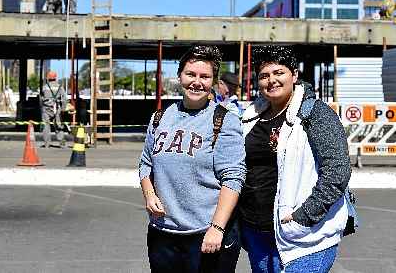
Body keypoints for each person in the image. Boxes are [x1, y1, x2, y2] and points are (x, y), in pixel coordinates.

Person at [239, 44, 351, 273]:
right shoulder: (250, 116)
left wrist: (304, 216)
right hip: (258, 233)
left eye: (278, 73)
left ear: (294, 75)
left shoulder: (315, 113)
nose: (271, 80)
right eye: (264, 76)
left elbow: (337, 170)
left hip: (304, 236)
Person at [138, 45, 246, 273]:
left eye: (204, 76)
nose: (196, 82)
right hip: (162, 235)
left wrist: (217, 228)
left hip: (206, 236)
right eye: (190, 74)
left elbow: (233, 178)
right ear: (179, 76)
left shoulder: (224, 121)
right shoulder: (160, 117)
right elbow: (146, 164)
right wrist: (149, 194)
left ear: (213, 82)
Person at [40, 71, 67, 148]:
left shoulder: (44, 87)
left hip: (46, 109)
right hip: (56, 108)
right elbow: (64, 98)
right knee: (58, 125)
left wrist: (42, 106)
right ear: (55, 78)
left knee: (46, 126)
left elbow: (41, 98)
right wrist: (63, 109)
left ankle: (47, 143)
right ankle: (61, 143)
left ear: (48, 78)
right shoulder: (59, 87)